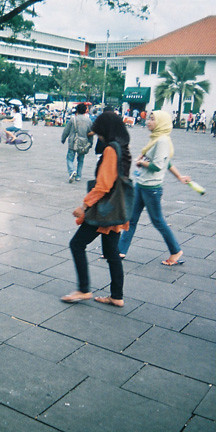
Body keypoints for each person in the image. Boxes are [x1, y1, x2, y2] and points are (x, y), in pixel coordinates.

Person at [61, 112, 132, 307]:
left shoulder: (111, 150)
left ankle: (84, 290)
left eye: (99, 132)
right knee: (112, 254)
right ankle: (117, 296)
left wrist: (84, 206)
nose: (98, 136)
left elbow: (103, 185)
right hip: (117, 211)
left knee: (77, 244)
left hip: (104, 210)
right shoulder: (124, 148)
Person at [117, 110, 188, 266]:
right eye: (148, 118)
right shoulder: (156, 139)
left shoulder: (162, 141)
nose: (148, 121)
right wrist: (179, 176)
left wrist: (141, 162)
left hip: (151, 188)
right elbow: (167, 163)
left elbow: (157, 166)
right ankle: (120, 250)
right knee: (132, 219)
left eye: (152, 119)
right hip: (142, 185)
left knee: (158, 221)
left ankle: (175, 251)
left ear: (161, 123)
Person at [61, 103, 93, 183]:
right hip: (83, 143)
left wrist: (63, 139)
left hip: (73, 141)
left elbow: (66, 131)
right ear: (85, 111)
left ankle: (72, 171)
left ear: (77, 110)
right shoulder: (89, 121)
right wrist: (90, 143)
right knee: (81, 160)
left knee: (70, 158)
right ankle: (78, 176)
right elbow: (90, 133)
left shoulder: (73, 119)